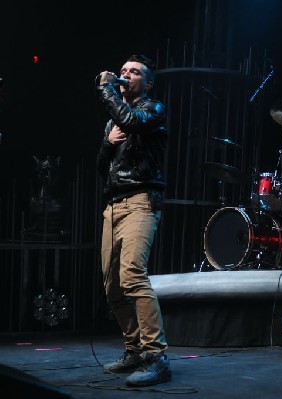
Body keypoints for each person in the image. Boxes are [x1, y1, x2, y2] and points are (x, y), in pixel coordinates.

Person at [96, 54, 171, 386]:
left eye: (134, 72)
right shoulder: (113, 121)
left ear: (147, 82)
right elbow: (101, 168)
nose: (126, 75)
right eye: (123, 70)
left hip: (141, 201)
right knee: (112, 285)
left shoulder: (153, 109)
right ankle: (135, 349)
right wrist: (106, 143)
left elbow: (133, 121)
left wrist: (105, 90)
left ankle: (157, 355)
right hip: (113, 205)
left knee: (132, 276)